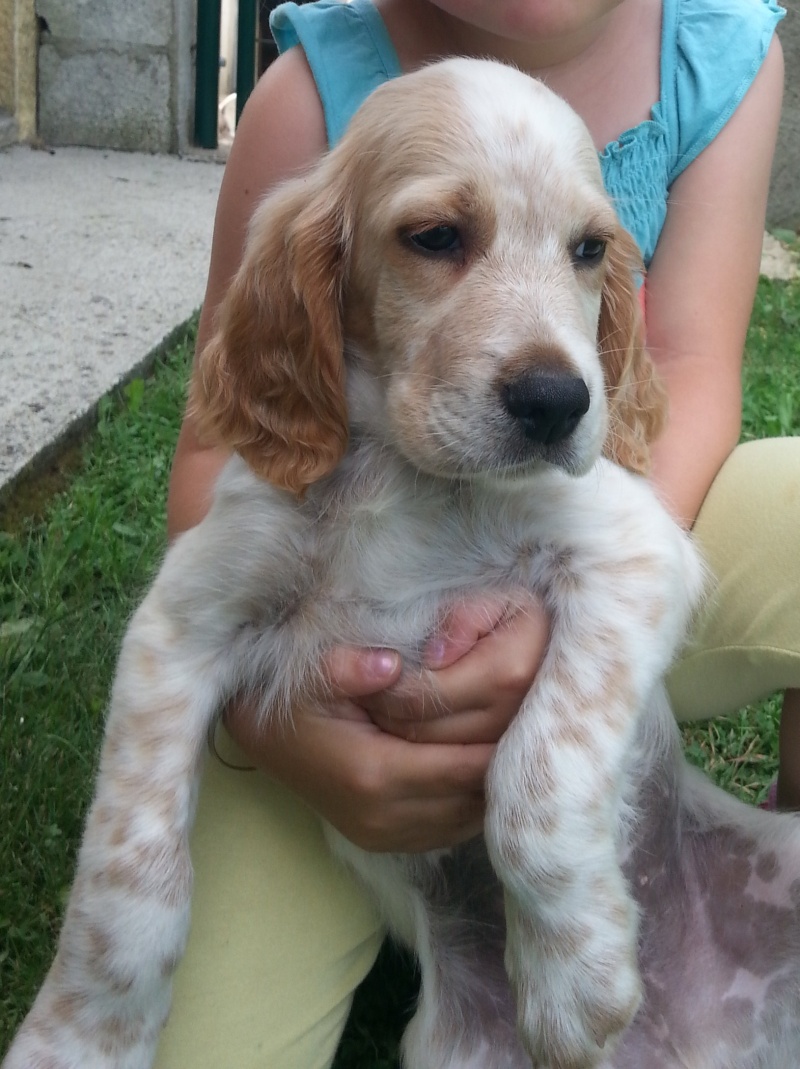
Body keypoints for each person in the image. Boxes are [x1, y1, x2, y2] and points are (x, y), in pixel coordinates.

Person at [157, 1, 798, 1066]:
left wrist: (573, 612)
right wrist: (283, 730)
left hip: (594, 554)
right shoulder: (310, 94)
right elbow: (211, 454)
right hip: (356, 664)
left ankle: (741, 884)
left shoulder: (714, 59)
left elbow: (680, 367)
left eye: (586, 245)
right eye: (435, 237)